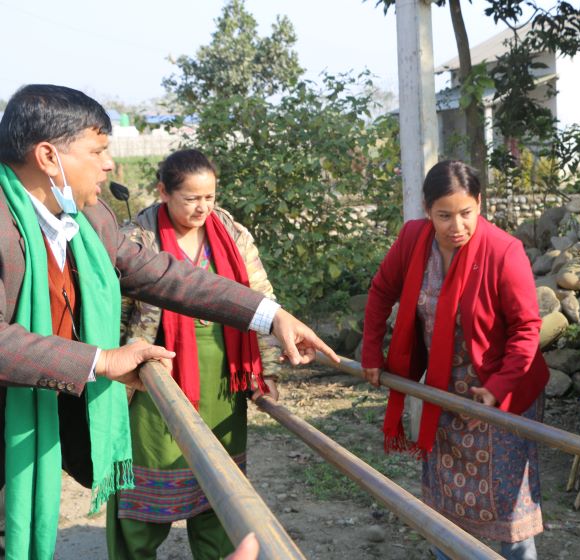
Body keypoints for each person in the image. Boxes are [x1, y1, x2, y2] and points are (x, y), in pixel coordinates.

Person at [0, 84, 337, 560]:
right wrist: (102, 359)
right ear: (49, 156)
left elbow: (161, 273)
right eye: (97, 150)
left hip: (41, 420)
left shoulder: (88, 219)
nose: (109, 164)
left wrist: (270, 316)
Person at [361, 160, 548, 560]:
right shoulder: (414, 240)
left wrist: (497, 389)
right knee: (446, 505)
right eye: (444, 216)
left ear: (479, 204)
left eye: (466, 213)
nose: (456, 226)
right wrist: (372, 353)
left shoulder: (503, 251)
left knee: (508, 510)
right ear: (426, 210)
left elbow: (526, 329)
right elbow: (380, 292)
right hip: (444, 392)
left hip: (502, 393)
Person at [106, 149, 283, 559]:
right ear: (163, 191)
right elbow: (117, 312)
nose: (202, 207)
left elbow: (261, 300)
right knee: (144, 482)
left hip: (223, 373)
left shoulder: (233, 234)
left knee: (220, 489)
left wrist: (267, 370)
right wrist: (115, 373)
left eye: (210, 197)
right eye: (191, 198)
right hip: (155, 373)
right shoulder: (138, 238)